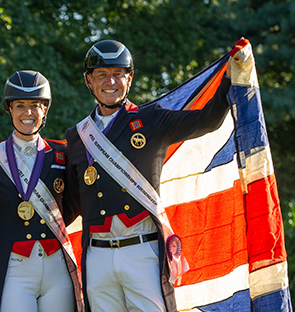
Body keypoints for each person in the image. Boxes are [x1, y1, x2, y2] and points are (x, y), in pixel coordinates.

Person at [63, 40, 233, 312]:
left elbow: (207, 120)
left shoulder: (151, 119)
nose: (111, 81)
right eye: (102, 74)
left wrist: (229, 76)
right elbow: (69, 204)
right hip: (97, 256)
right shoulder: (76, 136)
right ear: (89, 81)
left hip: (142, 251)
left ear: (129, 79)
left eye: (118, 73)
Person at [0, 70, 83, 312]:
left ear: (45, 110)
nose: (28, 112)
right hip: (15, 266)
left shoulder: (62, 154)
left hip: (57, 266)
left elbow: (72, 207)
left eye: (35, 105)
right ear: (9, 110)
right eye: (20, 105)